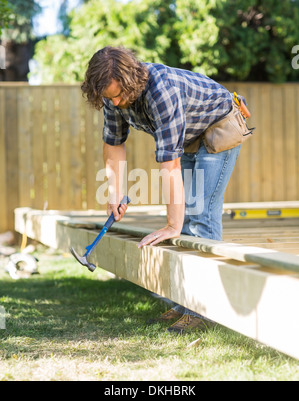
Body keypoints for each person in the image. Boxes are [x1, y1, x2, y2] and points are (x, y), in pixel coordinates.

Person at [81, 46, 242, 334]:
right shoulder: (112, 95)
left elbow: (170, 166)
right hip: (190, 135)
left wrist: (172, 225)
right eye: (109, 97)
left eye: (119, 95)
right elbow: (114, 144)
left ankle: (202, 312)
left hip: (218, 127)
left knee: (200, 215)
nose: (116, 102)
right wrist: (114, 192)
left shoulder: (160, 91)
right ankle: (184, 305)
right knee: (190, 217)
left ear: (131, 80)